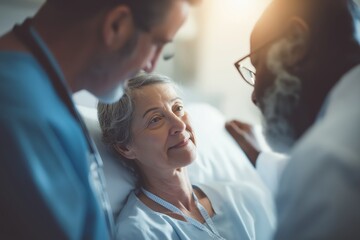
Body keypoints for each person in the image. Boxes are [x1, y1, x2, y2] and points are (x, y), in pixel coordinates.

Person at [0, 0, 199, 239]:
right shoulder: (23, 112)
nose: (150, 65)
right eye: (157, 44)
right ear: (117, 25)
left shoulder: (38, 94)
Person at [228, 0, 360, 238]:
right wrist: (262, 159)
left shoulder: (325, 160)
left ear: (295, 42)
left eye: (257, 67)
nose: (255, 96)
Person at [97, 73, 275, 240]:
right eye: (155, 119)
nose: (179, 124)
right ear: (125, 147)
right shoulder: (140, 231)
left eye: (178, 108)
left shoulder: (245, 197)